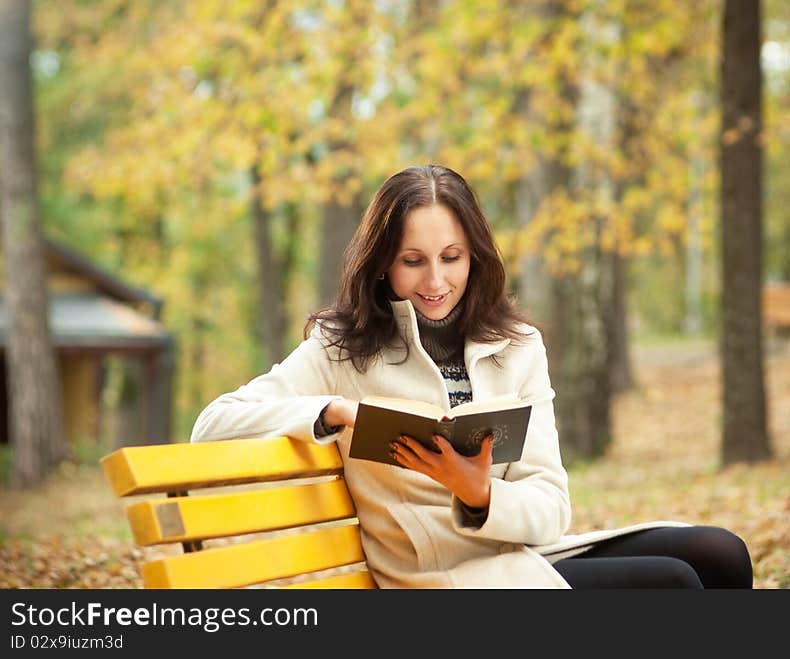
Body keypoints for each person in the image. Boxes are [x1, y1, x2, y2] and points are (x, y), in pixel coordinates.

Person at [191, 164, 753, 589]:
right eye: (413, 260)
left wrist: (480, 494)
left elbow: (552, 505)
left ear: (475, 257)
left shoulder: (516, 346)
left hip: (519, 559)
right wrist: (331, 412)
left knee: (720, 553)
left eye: (451, 257)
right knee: (671, 584)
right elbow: (211, 427)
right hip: (443, 583)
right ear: (383, 263)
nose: (435, 280)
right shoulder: (341, 350)